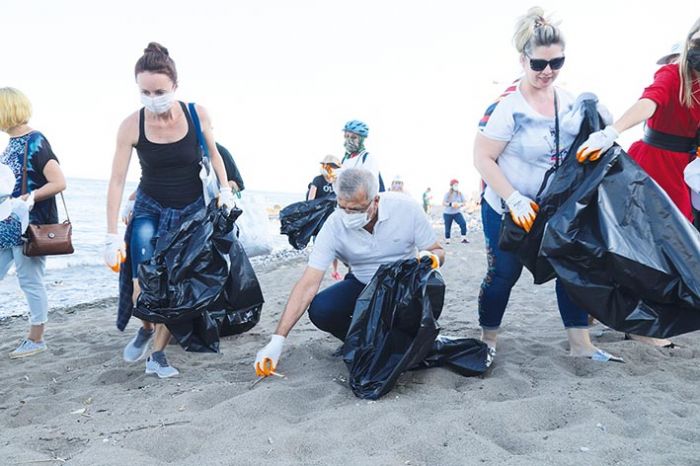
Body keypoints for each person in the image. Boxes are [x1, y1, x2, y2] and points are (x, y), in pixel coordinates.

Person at [473, 7, 622, 362]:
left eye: (557, 63)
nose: (547, 72)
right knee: (503, 273)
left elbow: (592, 142)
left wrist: (602, 121)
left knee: (569, 267)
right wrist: (513, 199)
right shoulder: (506, 108)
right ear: (522, 60)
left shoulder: (568, 101)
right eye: (539, 64)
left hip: (554, 207)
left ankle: (580, 345)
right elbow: (482, 159)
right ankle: (488, 338)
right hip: (507, 205)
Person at [105, 43, 235, 378]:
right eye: (144, 91)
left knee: (175, 285)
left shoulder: (197, 113)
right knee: (142, 282)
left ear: (174, 86)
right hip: (149, 206)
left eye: (159, 91)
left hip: (190, 211)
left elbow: (215, 154)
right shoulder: (130, 125)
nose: (152, 97)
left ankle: (158, 355)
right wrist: (110, 236)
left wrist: (224, 188)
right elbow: (117, 180)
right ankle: (146, 326)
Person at [577, 20, 700, 348]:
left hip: (684, 171)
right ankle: (636, 325)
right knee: (642, 246)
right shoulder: (673, 74)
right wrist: (612, 131)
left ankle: (634, 315)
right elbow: (650, 102)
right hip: (652, 165)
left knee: (675, 245)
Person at [253, 168, 444, 376]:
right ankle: (363, 342)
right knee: (321, 309)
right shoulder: (335, 224)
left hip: (403, 288)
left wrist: (430, 258)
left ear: (376, 201)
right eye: (342, 207)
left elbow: (438, 250)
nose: (348, 215)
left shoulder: (406, 208)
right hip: (362, 284)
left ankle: (401, 341)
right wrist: (277, 340)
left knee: (432, 284)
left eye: (356, 209)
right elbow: (308, 283)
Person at [0, 87, 67, 359]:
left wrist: (30, 196)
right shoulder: (10, 145)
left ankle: (37, 339)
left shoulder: (36, 141)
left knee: (30, 281)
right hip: (7, 226)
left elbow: (59, 182)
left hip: (30, 227)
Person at [306, 154, 342, 280]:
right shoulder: (318, 180)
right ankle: (314, 271)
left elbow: (341, 199)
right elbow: (311, 200)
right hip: (319, 219)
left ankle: (335, 270)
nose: (331, 168)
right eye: (329, 165)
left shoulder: (336, 182)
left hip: (332, 217)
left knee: (335, 245)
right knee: (318, 244)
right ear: (325, 166)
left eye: (334, 166)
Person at [339, 120, 385, 191]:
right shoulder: (344, 159)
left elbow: (372, 185)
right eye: (347, 136)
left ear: (361, 140)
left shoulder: (367, 158)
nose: (349, 140)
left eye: (354, 137)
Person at [442, 179, 469, 244]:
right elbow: (443, 203)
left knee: (463, 223)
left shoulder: (460, 194)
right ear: (451, 186)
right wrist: (451, 204)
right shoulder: (447, 194)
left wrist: (460, 204)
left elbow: (464, 202)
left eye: (457, 185)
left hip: (457, 213)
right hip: (447, 213)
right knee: (448, 227)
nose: (456, 186)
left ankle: (463, 238)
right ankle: (447, 240)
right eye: (455, 185)